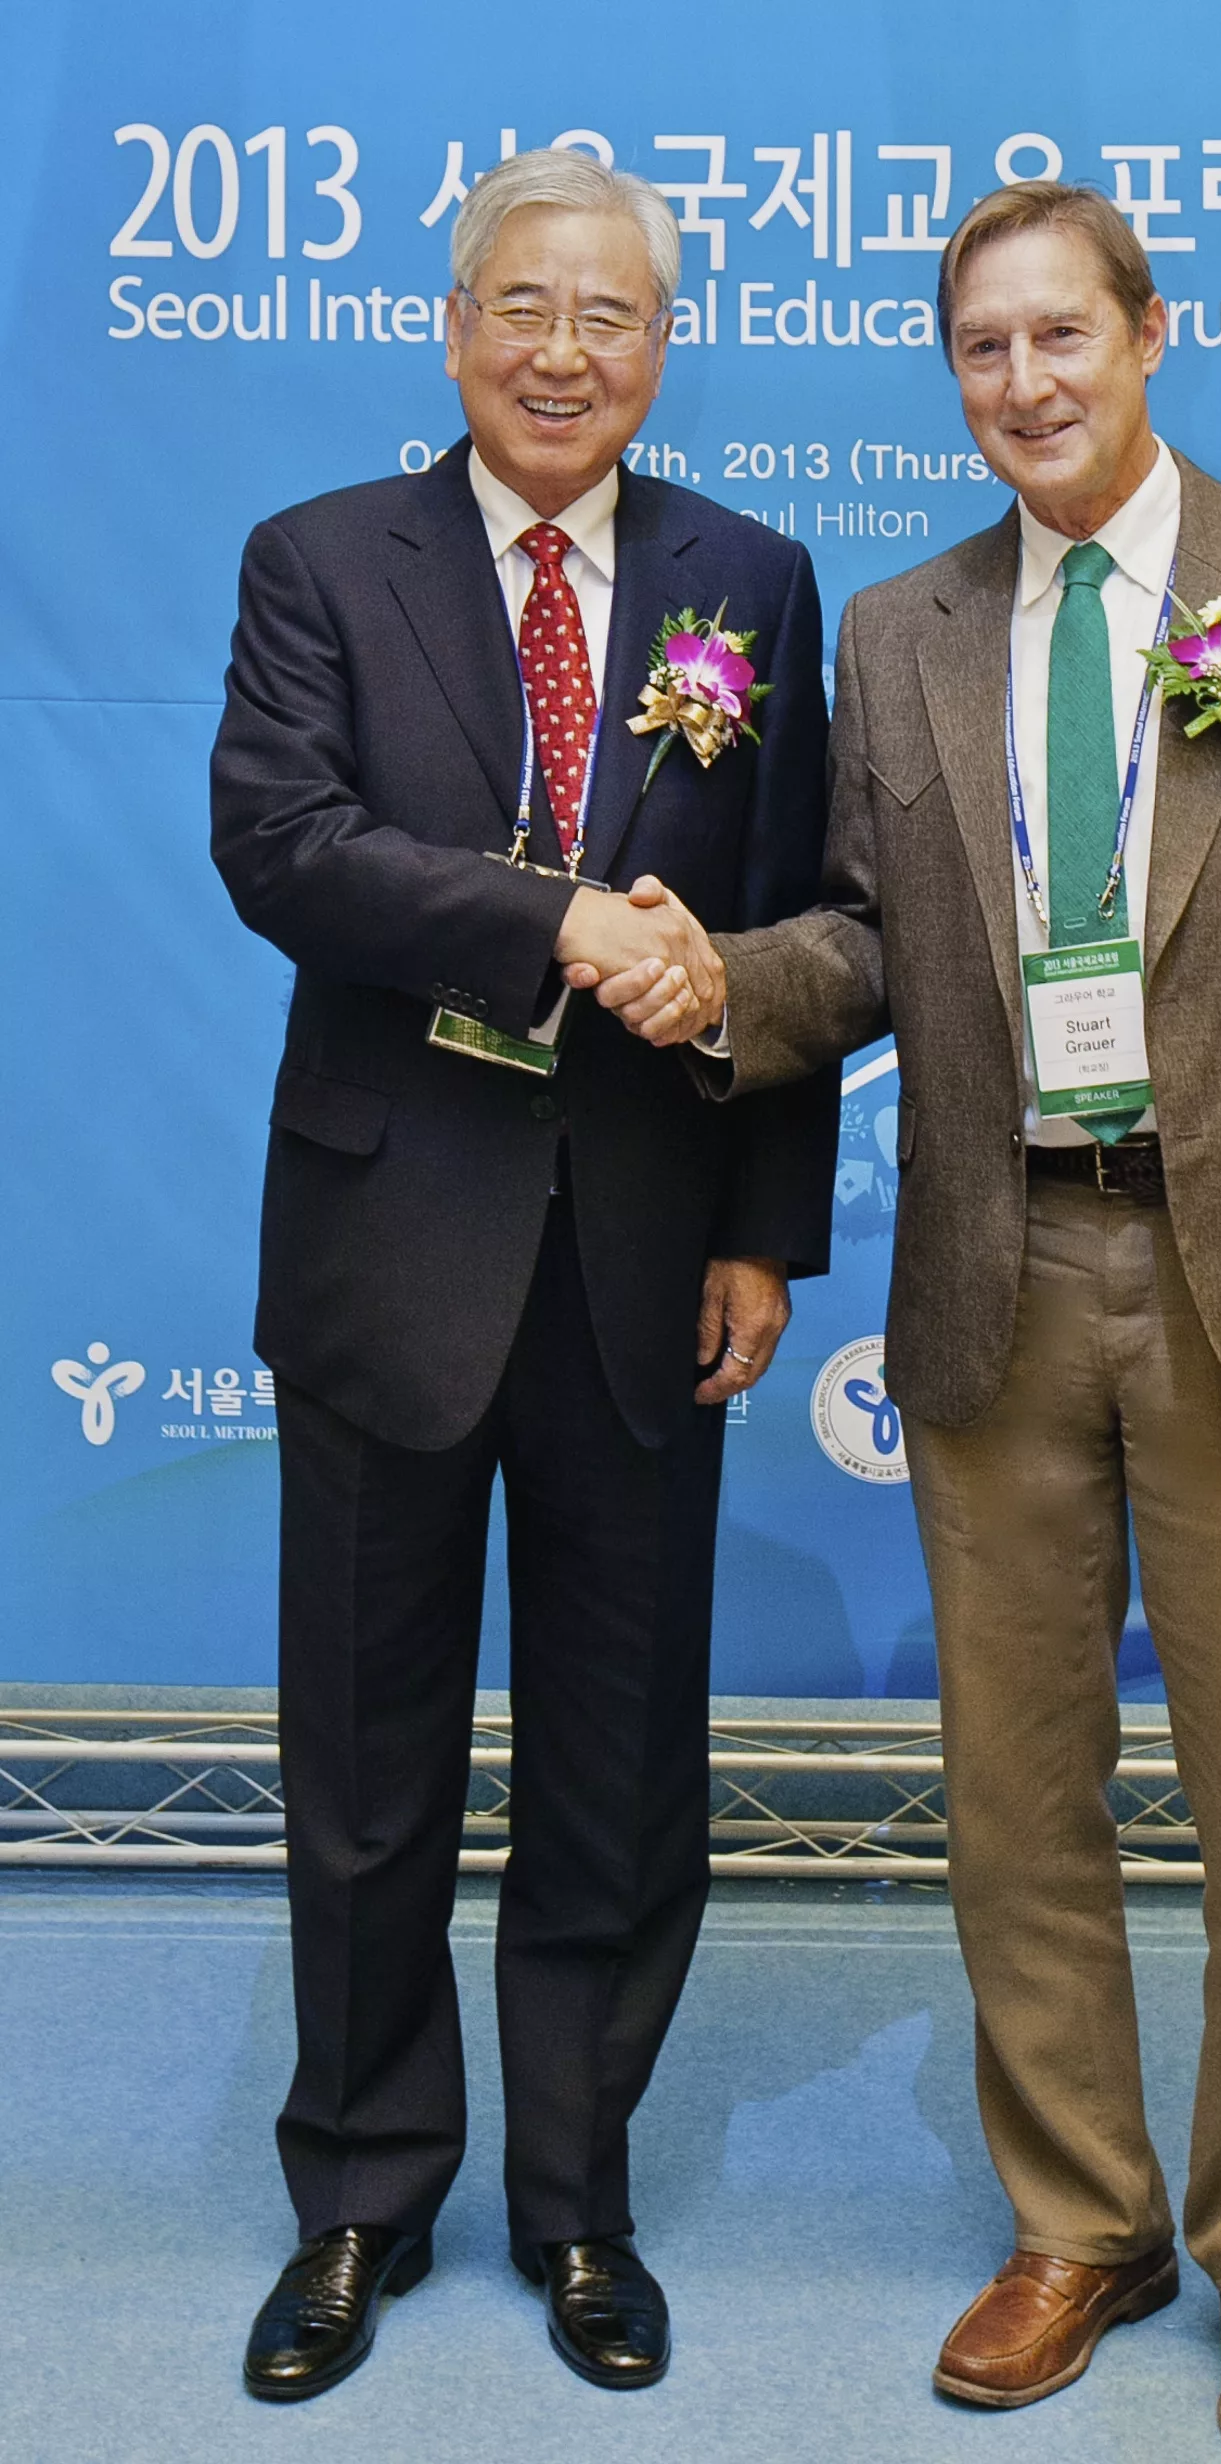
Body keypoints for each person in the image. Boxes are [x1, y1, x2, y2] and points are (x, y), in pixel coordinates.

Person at [578, 181, 1221, 2464]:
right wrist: (711, 975)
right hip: (990, 1284)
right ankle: (1076, 2216)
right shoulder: (897, 631)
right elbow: (860, 938)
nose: (1020, 384)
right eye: (978, 350)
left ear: (1147, 333)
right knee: (1013, 1802)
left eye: (1056, 337)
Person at [210, 147, 834, 2401]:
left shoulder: (746, 575)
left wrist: (768, 1223)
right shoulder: (320, 562)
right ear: (453, 325)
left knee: (614, 1758)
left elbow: (779, 913)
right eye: (525, 308)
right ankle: (365, 2193)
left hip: (646, 1262)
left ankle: (577, 2201)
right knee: (364, 1767)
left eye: (613, 317)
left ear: (660, 346)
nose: (566, 351)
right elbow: (281, 845)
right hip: (392, 1239)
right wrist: (557, 918)